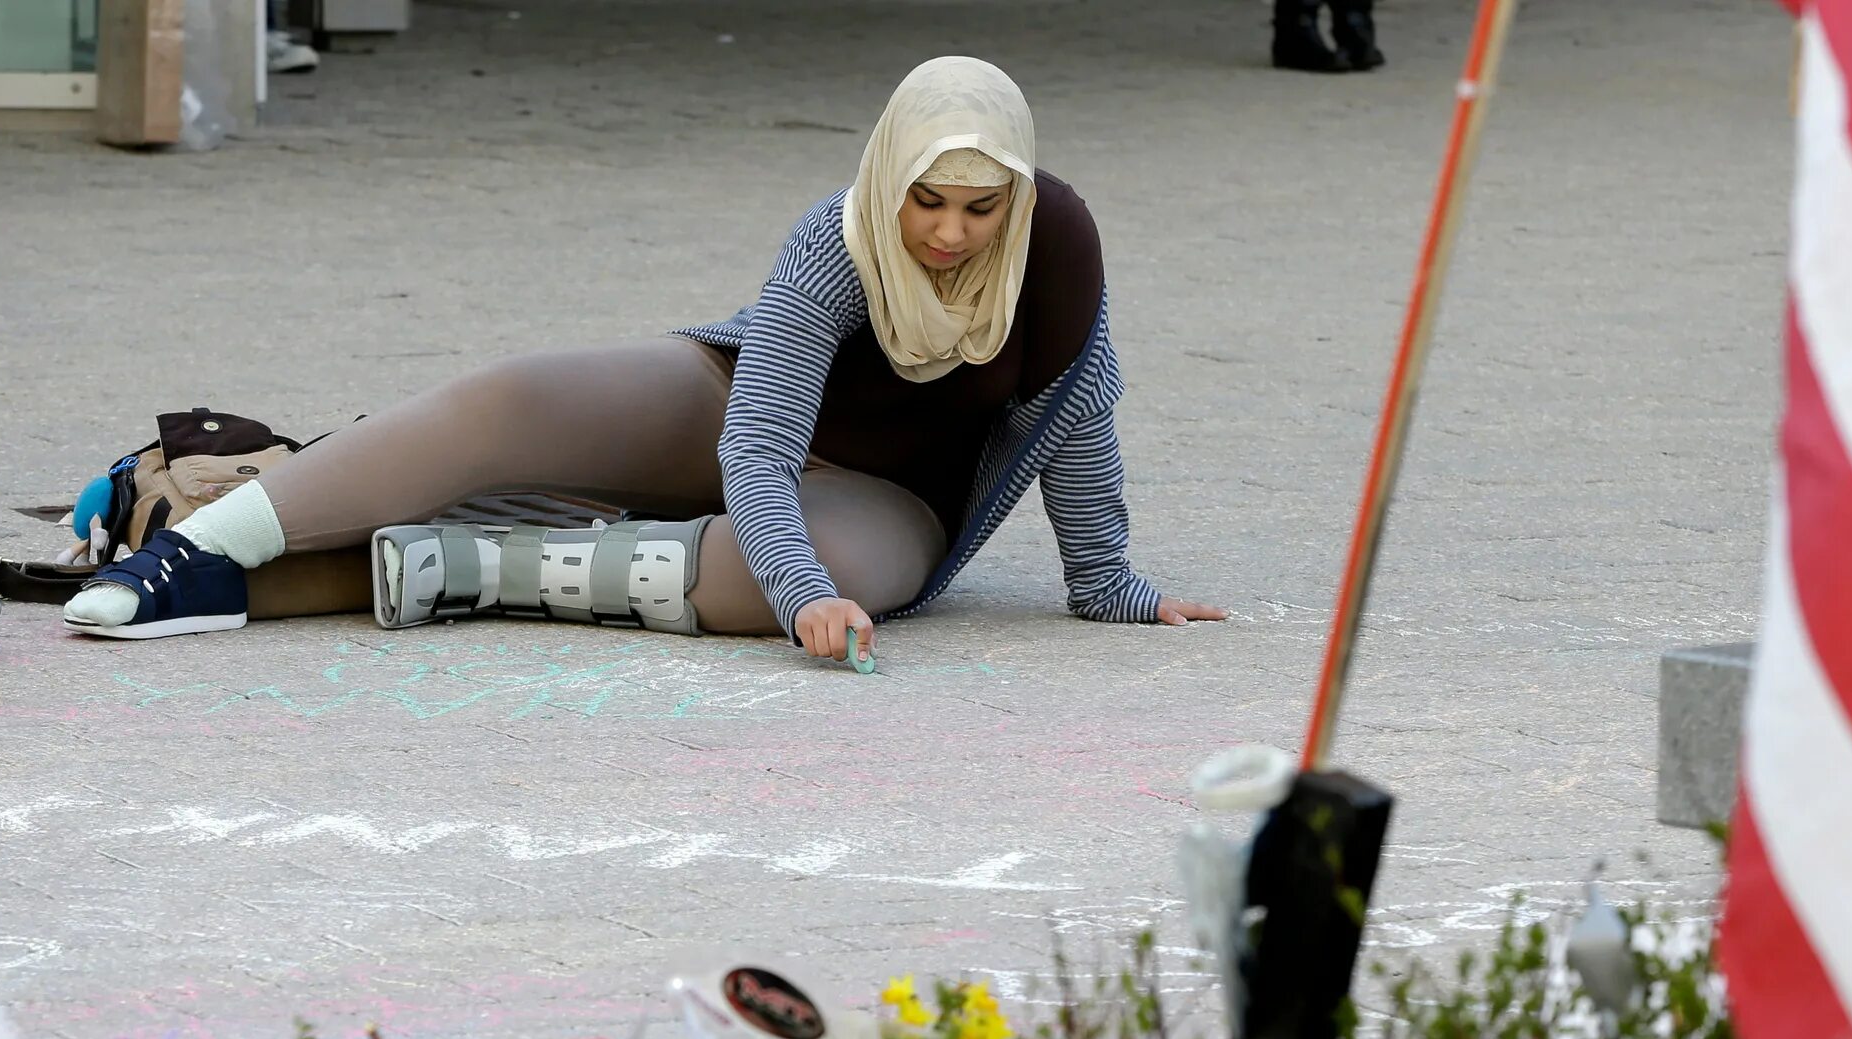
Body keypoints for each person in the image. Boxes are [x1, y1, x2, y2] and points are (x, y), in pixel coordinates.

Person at [65, 56, 1225, 662]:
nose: (950, 233)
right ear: (887, 177)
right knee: (510, 399)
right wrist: (804, 587)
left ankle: (455, 561)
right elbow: (759, 449)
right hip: (743, 418)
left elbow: (1079, 415)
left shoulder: (1056, 246)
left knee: (751, 586)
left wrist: (1107, 585)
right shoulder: (837, 237)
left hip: (895, 502)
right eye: (925, 199)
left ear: (1015, 195)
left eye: (979, 207)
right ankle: (194, 556)